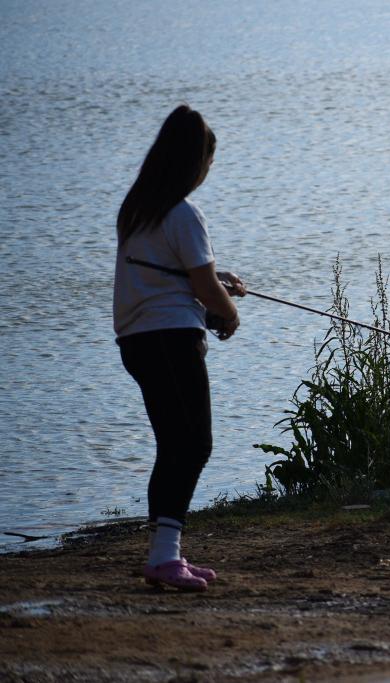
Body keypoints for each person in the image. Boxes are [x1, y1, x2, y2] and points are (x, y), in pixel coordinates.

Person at [113, 105, 246, 591]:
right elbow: (204, 289)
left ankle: (164, 555)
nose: (207, 171)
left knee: (174, 444)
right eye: (208, 162)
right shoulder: (185, 213)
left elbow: (172, 274)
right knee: (192, 443)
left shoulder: (137, 210)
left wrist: (215, 278)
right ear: (194, 162)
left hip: (137, 341)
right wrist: (228, 313)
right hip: (170, 340)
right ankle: (164, 558)